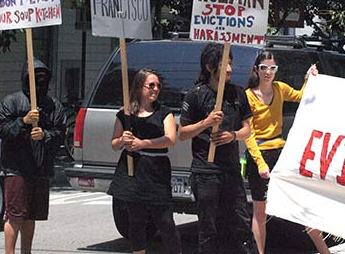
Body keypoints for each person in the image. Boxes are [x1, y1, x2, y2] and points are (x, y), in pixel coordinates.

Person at [244, 51, 331, 254]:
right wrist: (260, 163)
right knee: (260, 211)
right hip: (260, 155)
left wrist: (308, 78)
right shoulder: (248, 95)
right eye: (264, 68)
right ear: (257, 69)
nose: (268, 72)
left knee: (301, 201)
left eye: (272, 68)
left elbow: (301, 96)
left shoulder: (280, 88)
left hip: (281, 152)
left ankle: (324, 250)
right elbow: (249, 134)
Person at [178, 42, 258, 254]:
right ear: (209, 67)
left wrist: (232, 136)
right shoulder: (195, 95)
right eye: (223, 65)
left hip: (231, 171)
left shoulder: (238, 93)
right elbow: (182, 133)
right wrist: (206, 122)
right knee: (208, 229)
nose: (230, 69)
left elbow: (247, 130)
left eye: (230, 64)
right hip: (206, 172)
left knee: (241, 225)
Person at [107, 69, 182, 254]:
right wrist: (123, 140)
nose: (155, 89)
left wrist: (142, 143)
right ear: (140, 87)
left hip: (156, 170)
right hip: (132, 170)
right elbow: (114, 144)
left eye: (158, 85)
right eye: (151, 85)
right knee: (136, 221)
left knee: (164, 221)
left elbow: (171, 139)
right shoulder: (125, 114)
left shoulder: (164, 112)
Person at [0, 59, 66, 254]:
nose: (39, 84)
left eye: (43, 79)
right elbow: (2, 129)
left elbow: (60, 133)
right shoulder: (11, 102)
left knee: (31, 215)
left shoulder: (54, 106)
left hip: (40, 167)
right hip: (16, 167)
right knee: (15, 215)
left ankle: (27, 251)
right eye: (34, 79)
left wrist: (45, 135)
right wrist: (23, 121)